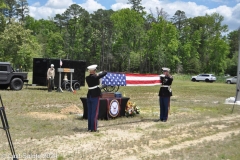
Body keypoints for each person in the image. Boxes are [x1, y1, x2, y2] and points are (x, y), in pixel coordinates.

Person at [85, 64, 107, 132]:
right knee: (94, 113)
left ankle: (89, 127)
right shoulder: (95, 77)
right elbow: (104, 74)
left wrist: (97, 74)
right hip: (95, 96)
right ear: (94, 71)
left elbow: (96, 76)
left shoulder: (87, 78)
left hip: (89, 95)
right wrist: (104, 71)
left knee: (90, 113)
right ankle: (94, 128)